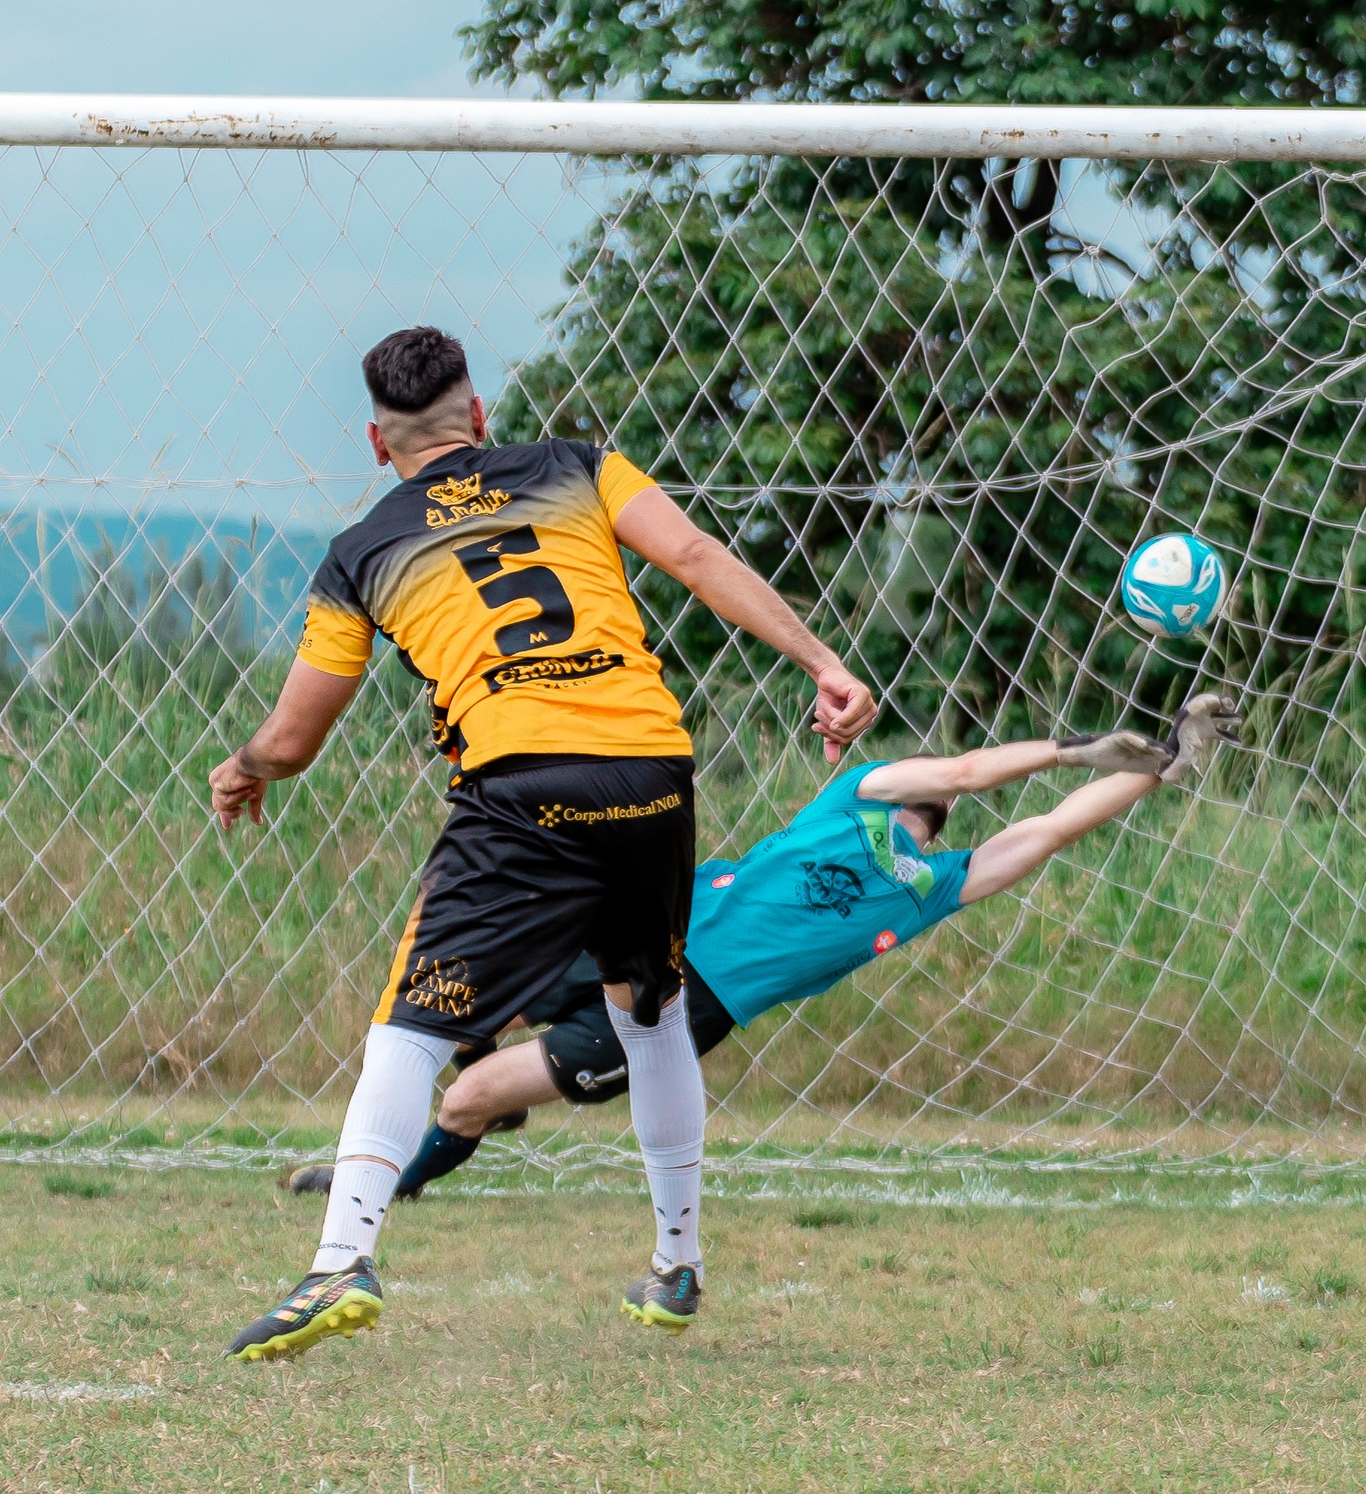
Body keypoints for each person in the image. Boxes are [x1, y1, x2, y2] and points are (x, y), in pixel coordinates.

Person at [211, 326, 876, 1359]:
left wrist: (247, 763)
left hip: (522, 784)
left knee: (411, 1026)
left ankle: (339, 1257)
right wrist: (822, 660)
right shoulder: (576, 465)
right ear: (478, 417)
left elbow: (296, 737)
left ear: (377, 445)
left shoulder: (363, 549)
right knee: (648, 1008)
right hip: (653, 771)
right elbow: (696, 557)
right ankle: (676, 1260)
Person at [289, 694, 1241, 1231]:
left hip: (687, 1005)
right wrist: (1074, 749)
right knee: (449, 1005)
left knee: (467, 1097)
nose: (928, 799)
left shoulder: (936, 885)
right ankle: (421, 1136)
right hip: (627, 928)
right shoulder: (853, 798)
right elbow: (961, 772)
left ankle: (391, 1178)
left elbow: (1050, 831)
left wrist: (1167, 765)